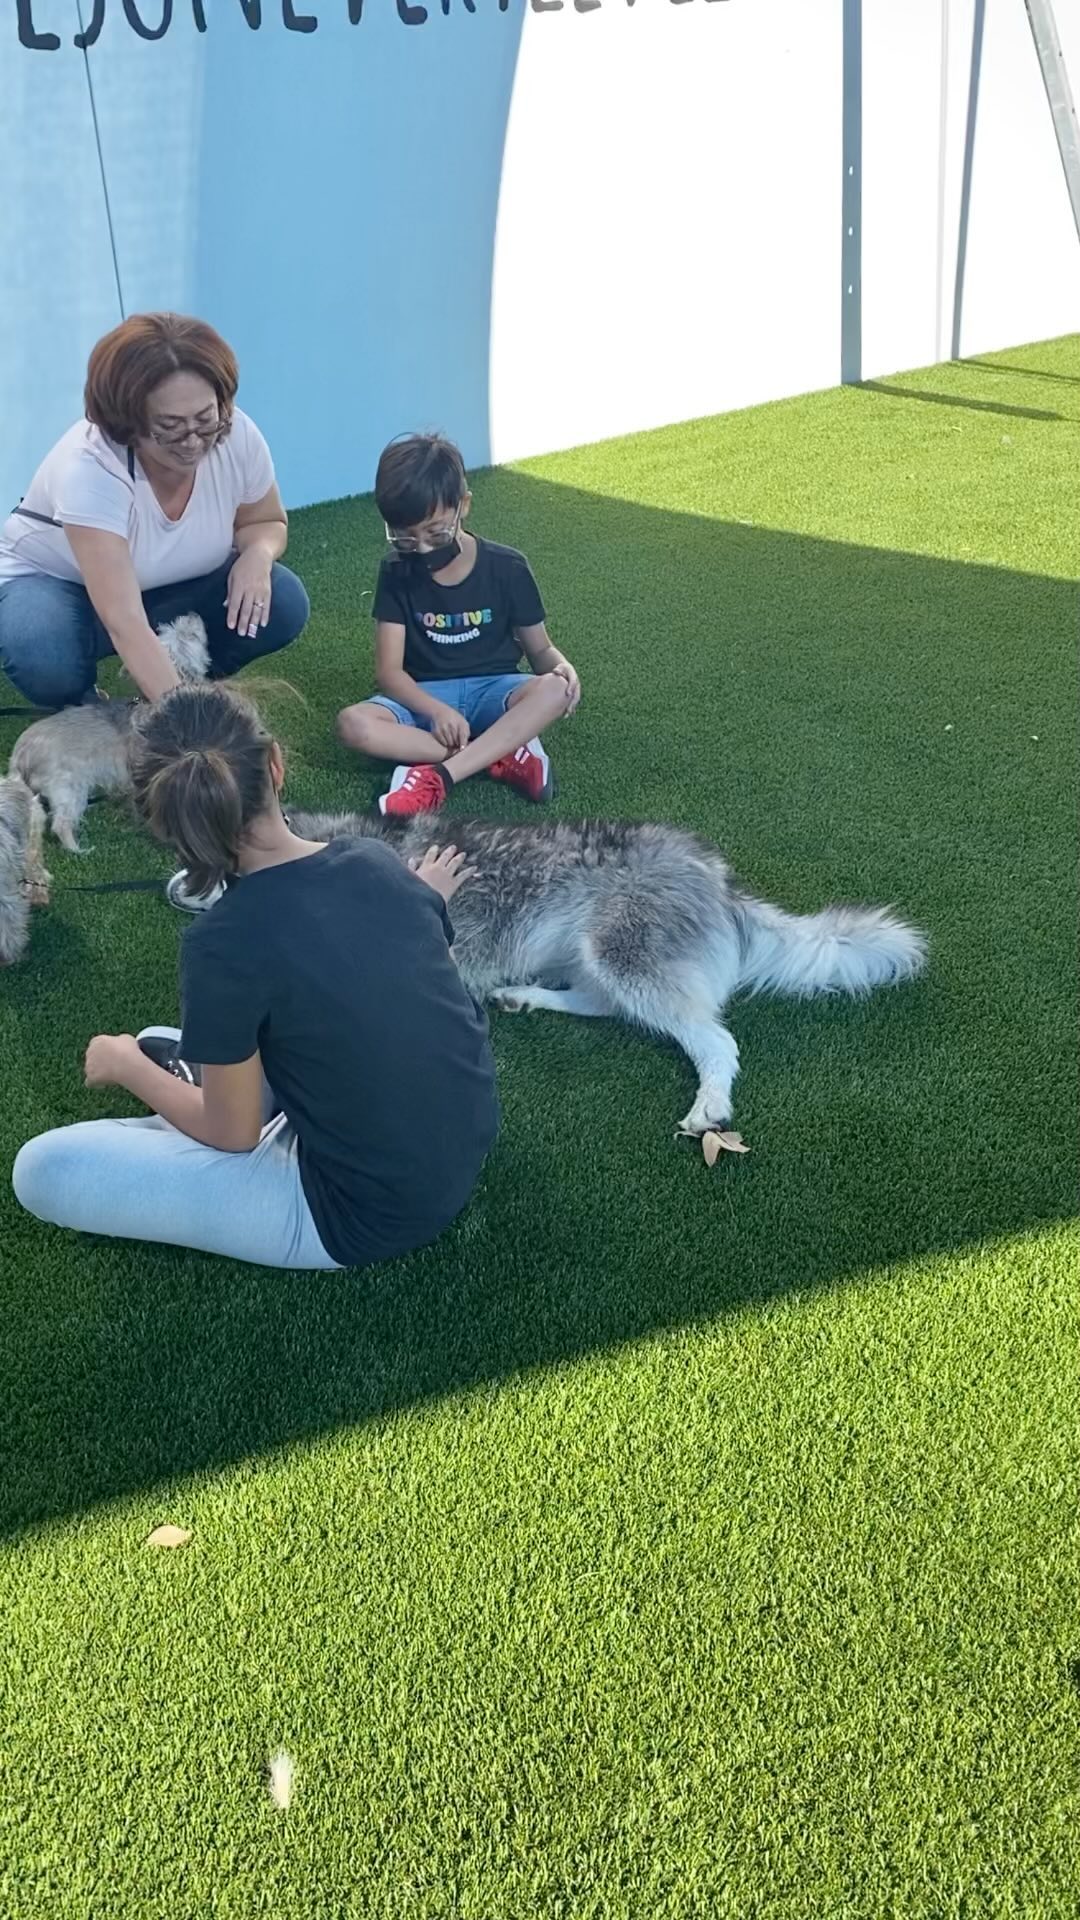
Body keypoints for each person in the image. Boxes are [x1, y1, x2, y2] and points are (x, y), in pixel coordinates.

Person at [11, 683, 499, 1271]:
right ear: (274, 764)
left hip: (355, 1216)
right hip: (457, 1150)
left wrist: (125, 1065)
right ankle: (214, 1073)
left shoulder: (222, 944)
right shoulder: (375, 861)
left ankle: (193, 1077)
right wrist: (426, 901)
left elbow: (232, 1134)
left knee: (41, 1169)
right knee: (291, 1018)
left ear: (164, 823)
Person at [0, 311, 309, 711]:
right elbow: (123, 617)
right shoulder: (89, 469)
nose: (194, 440)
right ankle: (88, 707)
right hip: (62, 588)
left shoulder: (238, 435)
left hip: (164, 586)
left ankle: (186, 680)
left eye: (205, 418)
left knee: (281, 600)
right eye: (170, 426)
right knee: (41, 647)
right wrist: (194, 723)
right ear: (125, 421)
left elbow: (264, 520)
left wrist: (257, 554)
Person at [337, 433, 581, 817]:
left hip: (495, 691)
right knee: (354, 724)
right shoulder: (396, 570)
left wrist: (561, 668)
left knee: (555, 690)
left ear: (462, 505)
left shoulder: (508, 567)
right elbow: (389, 672)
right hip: (423, 696)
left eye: (435, 532)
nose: (422, 548)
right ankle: (498, 754)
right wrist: (435, 711)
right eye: (405, 537)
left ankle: (439, 776)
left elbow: (540, 650)